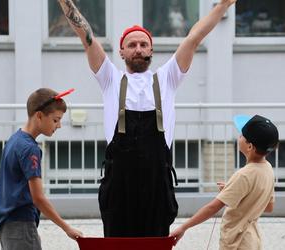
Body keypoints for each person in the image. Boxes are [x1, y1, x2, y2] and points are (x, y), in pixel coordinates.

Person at [57, 0, 237, 237]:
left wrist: (222, 6)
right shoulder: (110, 78)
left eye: (144, 44)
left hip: (156, 186)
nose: (138, 49)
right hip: (119, 186)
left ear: (151, 50)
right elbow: (85, 34)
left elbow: (194, 37)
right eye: (132, 45)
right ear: (121, 52)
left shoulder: (167, 78)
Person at [170, 114, 279, 250]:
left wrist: (183, 228)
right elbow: (268, 207)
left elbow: (212, 207)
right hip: (253, 241)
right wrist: (233, 191)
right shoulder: (268, 169)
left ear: (250, 146)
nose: (239, 138)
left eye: (241, 136)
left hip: (237, 243)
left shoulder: (243, 175)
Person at [0, 88, 83, 249]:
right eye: (56, 120)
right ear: (39, 115)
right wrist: (66, 227)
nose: (59, 125)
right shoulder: (29, 149)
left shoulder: (15, 139)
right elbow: (38, 198)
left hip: (7, 225)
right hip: (20, 224)